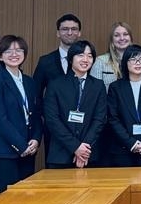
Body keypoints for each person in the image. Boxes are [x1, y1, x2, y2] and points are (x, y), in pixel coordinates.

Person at [0, 35, 42, 193]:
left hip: (28, 152)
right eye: (8, 51)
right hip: (4, 153)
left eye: (18, 50)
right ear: (1, 56)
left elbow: (36, 114)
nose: (14, 54)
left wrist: (36, 139)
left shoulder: (29, 82)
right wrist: (21, 145)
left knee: (25, 201)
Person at [43, 40, 107, 169]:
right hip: (60, 154)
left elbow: (99, 119)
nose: (85, 59)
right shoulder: (56, 84)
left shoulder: (98, 85)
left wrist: (84, 148)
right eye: (80, 55)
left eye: (90, 56)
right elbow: (52, 119)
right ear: (71, 58)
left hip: (89, 154)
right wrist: (75, 147)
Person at [32, 13, 82, 98]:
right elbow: (36, 93)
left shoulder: (87, 60)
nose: (69, 33)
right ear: (58, 33)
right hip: (52, 110)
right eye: (65, 29)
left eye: (74, 29)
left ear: (79, 33)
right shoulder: (45, 61)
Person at [90, 21, 133, 91]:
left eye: (125, 34)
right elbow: (94, 91)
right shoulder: (100, 61)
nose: (122, 38)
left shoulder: (139, 61)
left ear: (131, 38)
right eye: (117, 35)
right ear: (112, 40)